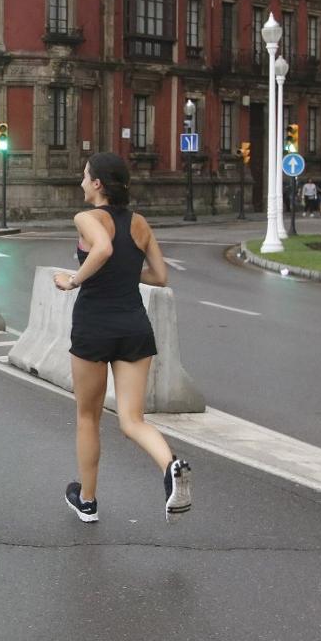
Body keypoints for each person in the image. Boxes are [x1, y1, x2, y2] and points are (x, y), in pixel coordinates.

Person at [53, 152, 193, 524]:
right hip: (134, 325)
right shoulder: (140, 223)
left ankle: (87, 501)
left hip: (94, 326)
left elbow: (102, 248)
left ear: (98, 184)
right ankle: (170, 466)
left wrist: (72, 280)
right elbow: (161, 276)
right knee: (132, 420)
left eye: (85, 176)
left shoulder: (86, 217)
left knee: (87, 416)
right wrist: (128, 274)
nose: (82, 182)